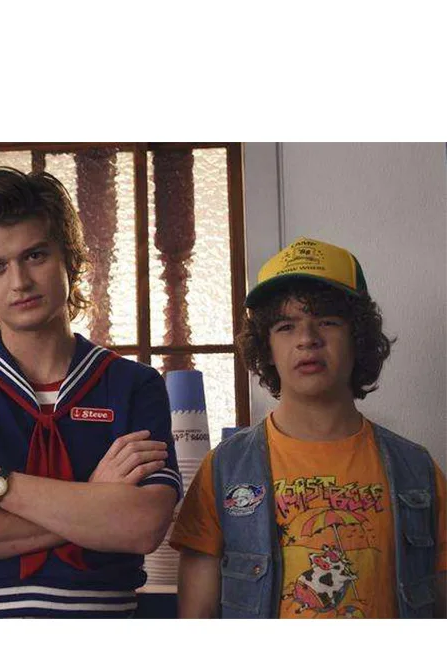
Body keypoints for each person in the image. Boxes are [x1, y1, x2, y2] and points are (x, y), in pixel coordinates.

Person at [0, 167, 182, 617]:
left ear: (70, 257)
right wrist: (93, 501)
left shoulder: (133, 384)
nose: (19, 282)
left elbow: (141, 526)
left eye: (36, 255)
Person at [170, 237, 446, 618]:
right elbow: (195, 620)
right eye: (286, 326)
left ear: (357, 338)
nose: (307, 339)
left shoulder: (416, 470)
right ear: (266, 347)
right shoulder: (223, 470)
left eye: (327, 321)